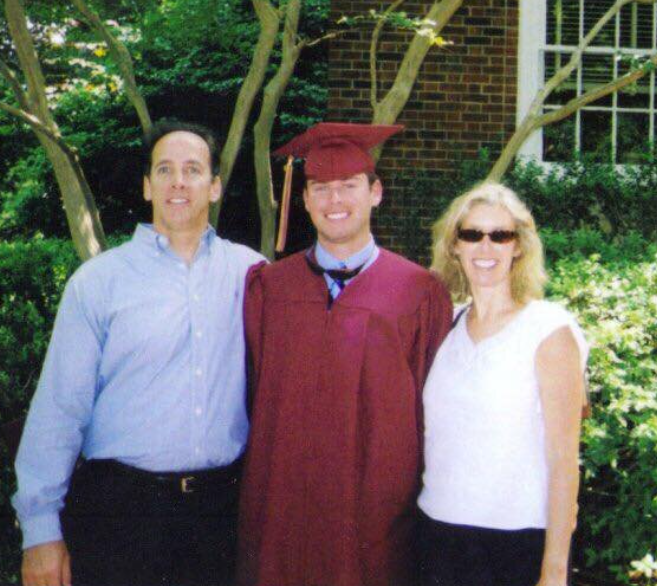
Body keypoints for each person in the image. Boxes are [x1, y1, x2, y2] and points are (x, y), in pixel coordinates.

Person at [12, 120, 265, 586]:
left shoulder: (252, 275)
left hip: (220, 518)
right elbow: (60, 409)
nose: (178, 182)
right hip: (121, 516)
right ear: (148, 186)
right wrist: (40, 529)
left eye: (193, 170)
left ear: (214, 186)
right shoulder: (99, 283)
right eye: (165, 170)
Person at [237, 122, 453, 586]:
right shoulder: (269, 288)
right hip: (283, 505)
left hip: (376, 512)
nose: (334, 199)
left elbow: (434, 411)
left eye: (349, 185)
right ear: (305, 199)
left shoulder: (419, 292)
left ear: (376, 192)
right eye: (321, 187)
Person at [417, 182, 588, 586]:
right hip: (438, 536)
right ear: (454, 246)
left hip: (516, 546)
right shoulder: (446, 326)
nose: (486, 246)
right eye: (472, 234)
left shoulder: (548, 330)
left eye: (500, 235)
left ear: (519, 247)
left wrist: (554, 572)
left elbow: (564, 462)